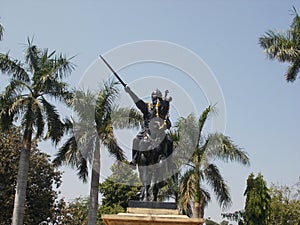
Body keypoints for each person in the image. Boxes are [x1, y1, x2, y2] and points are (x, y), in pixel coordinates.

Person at [124, 85, 172, 167]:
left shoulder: (162, 110)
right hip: (147, 131)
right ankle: (134, 160)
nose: (156, 99)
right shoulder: (147, 107)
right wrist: (130, 92)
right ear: (152, 97)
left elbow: (168, 124)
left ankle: (170, 163)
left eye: (158, 97)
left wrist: (166, 124)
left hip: (160, 132)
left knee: (170, 141)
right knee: (136, 140)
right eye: (154, 97)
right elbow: (137, 101)